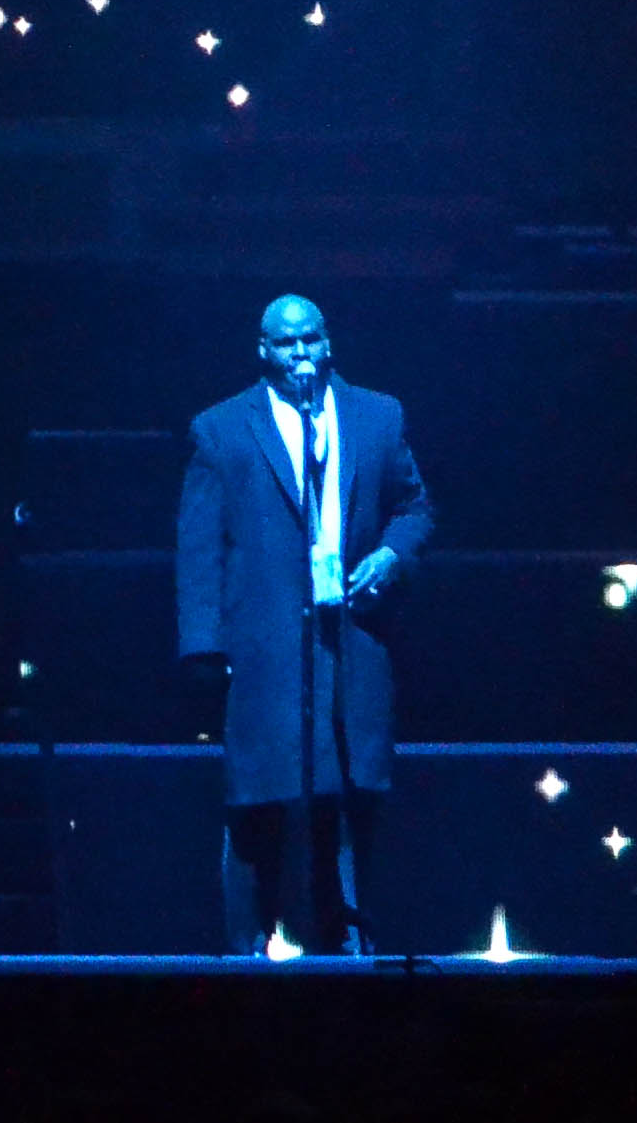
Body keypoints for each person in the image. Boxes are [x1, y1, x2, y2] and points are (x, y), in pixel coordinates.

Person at [175, 292, 434, 955]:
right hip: (264, 650)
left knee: (348, 803)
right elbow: (200, 547)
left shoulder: (376, 415)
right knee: (258, 804)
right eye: (285, 343)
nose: (300, 354)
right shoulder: (222, 428)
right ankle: (243, 953)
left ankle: (348, 952)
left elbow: (414, 506)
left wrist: (392, 555)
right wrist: (203, 648)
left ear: (328, 342)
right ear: (263, 350)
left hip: (350, 641)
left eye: (310, 340)